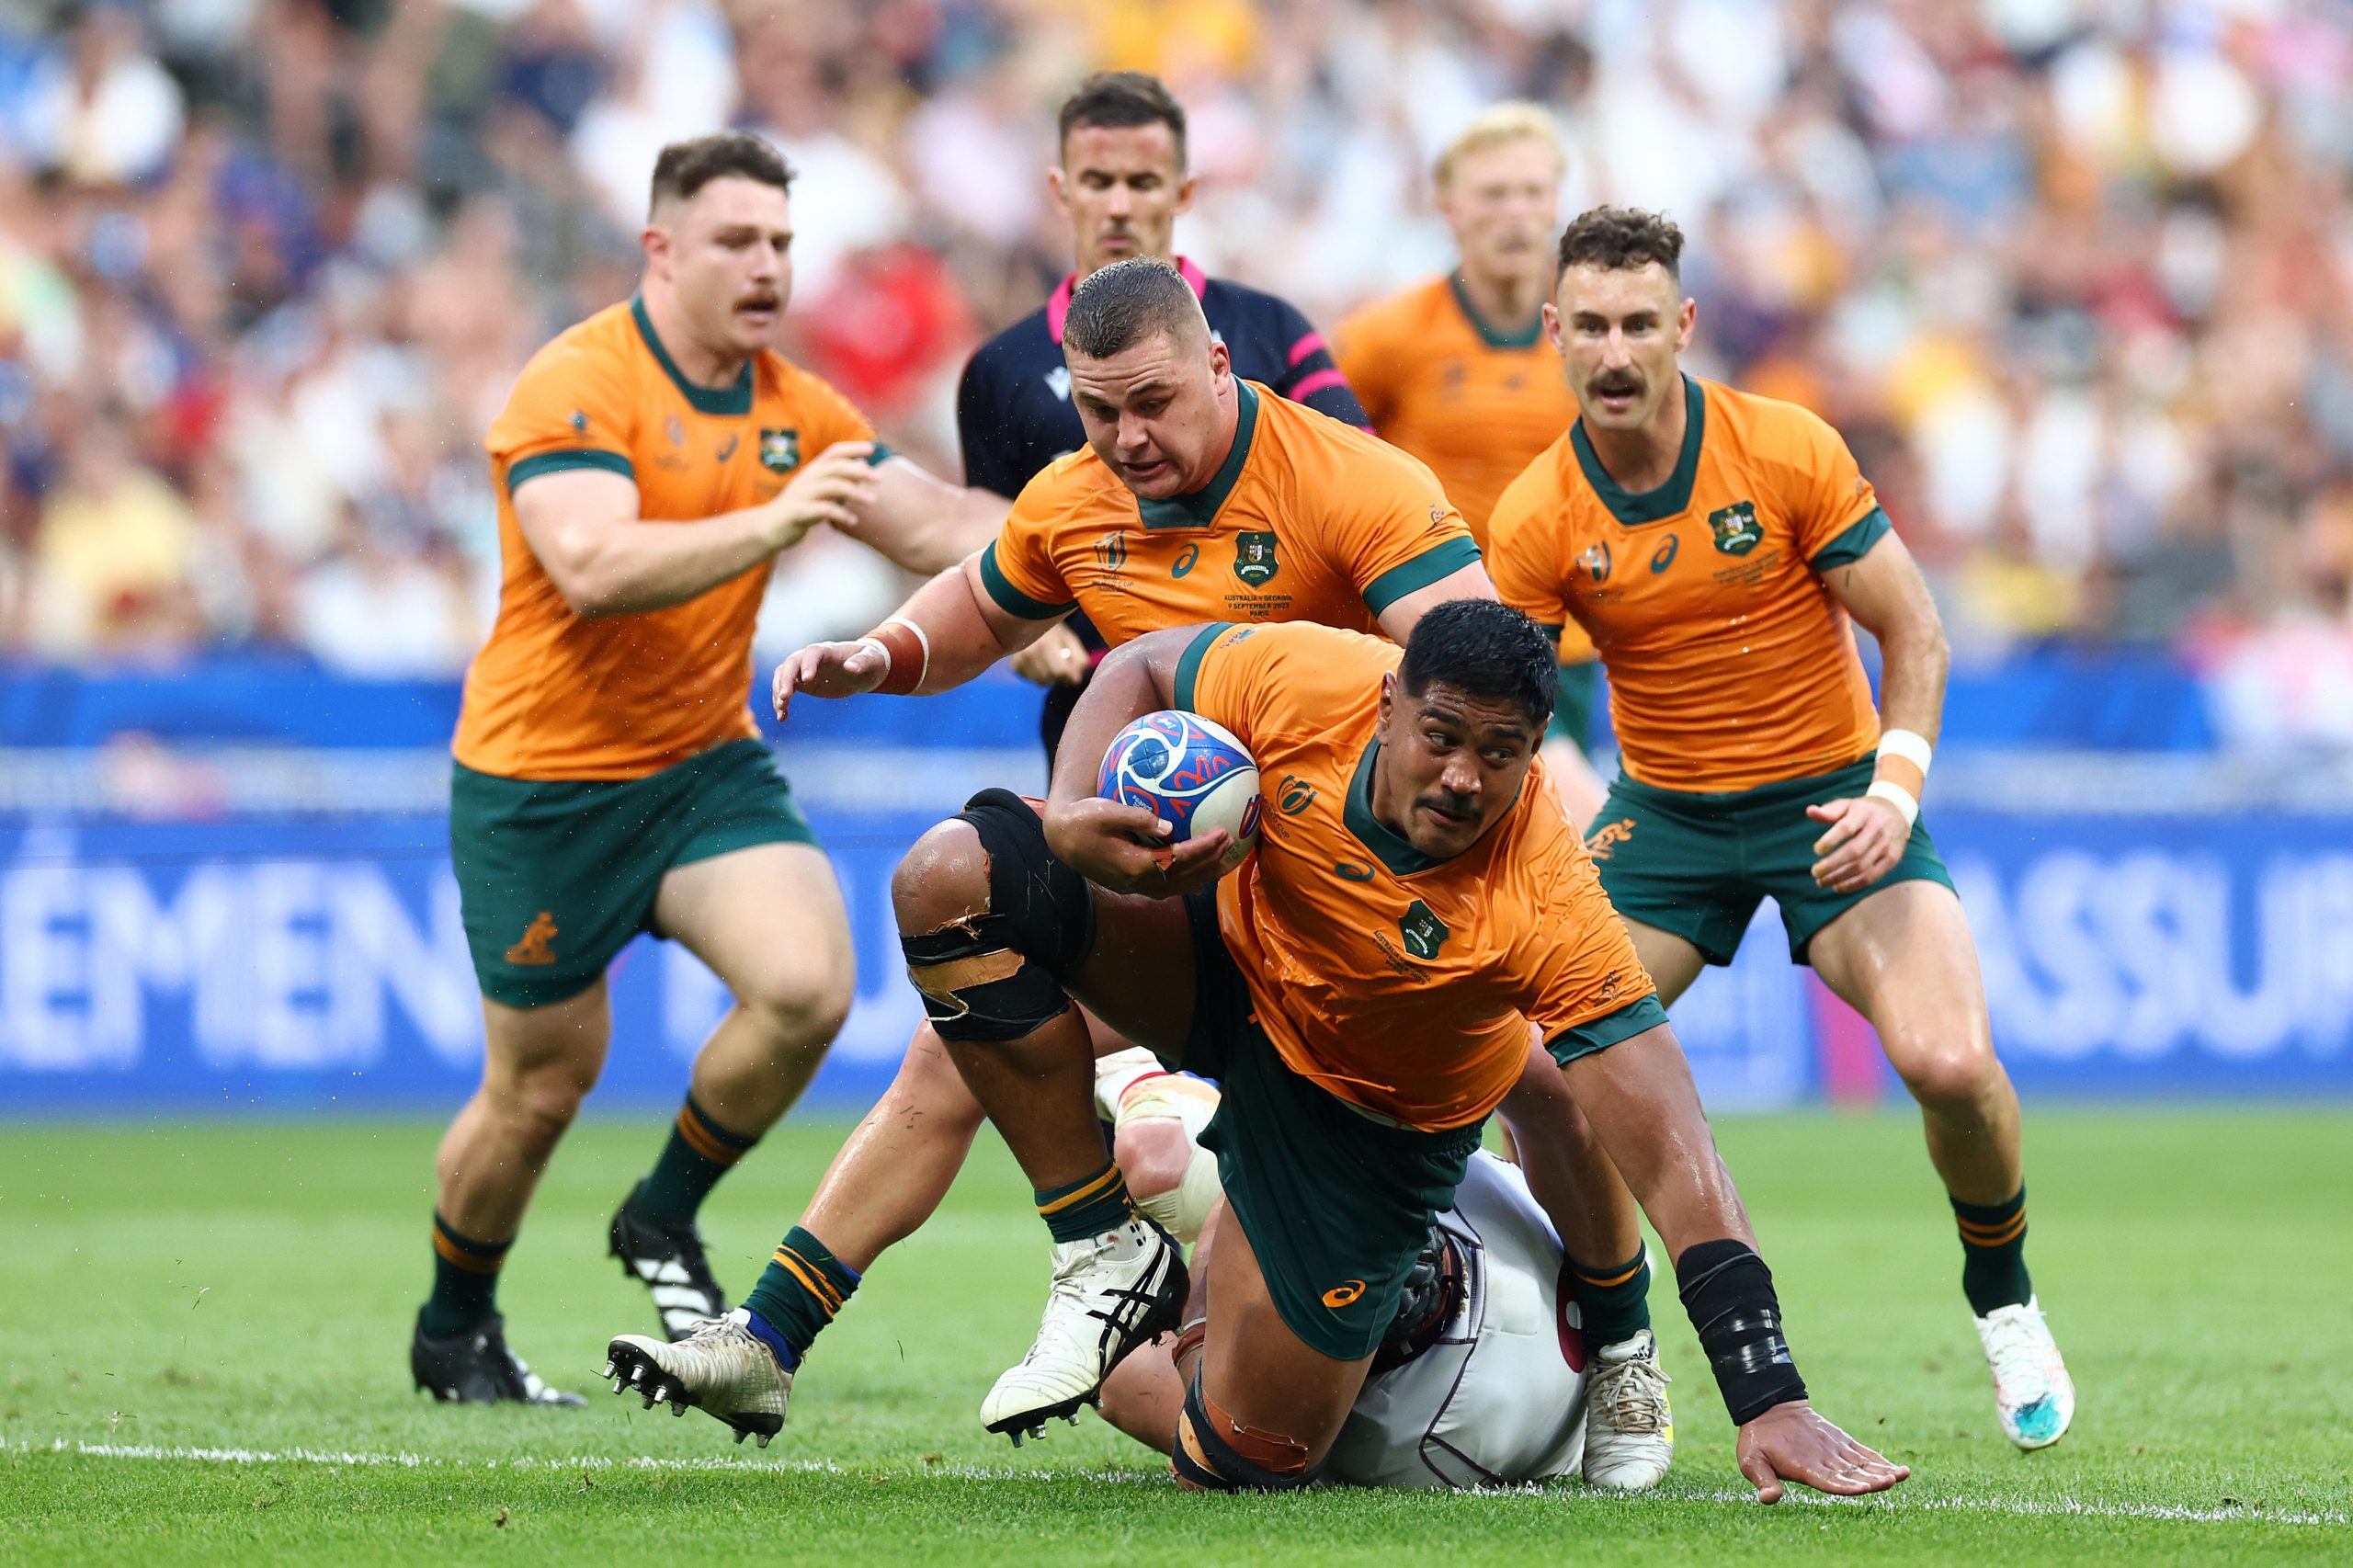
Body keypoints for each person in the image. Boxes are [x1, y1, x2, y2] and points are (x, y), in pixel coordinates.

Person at [599, 258, 1660, 1476]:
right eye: (1100, 412)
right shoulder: (1075, 496)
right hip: (1183, 901)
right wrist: (881, 655)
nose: (1127, 437)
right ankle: (802, 1324)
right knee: (956, 1017)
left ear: (1218, 364)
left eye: (1152, 403)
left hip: (1349, 909)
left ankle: (1621, 1348)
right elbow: (981, 605)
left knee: (1549, 1080)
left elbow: (1475, 683)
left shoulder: (1354, 483)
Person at [607, 605, 1907, 1505]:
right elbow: (1141, 663)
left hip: (1365, 1126)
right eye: (1442, 734)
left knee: (1243, 1458)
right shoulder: (1308, 677)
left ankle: (1174, 1310)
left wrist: (1766, 1387)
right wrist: (1070, 810)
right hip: (1228, 972)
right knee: (952, 876)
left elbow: (1671, 1144)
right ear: (1389, 700)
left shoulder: (1545, 892)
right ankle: (1099, 1240)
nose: (1464, 777)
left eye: (1503, 753)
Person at [412, 131, 1005, 1405]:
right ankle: (454, 1326)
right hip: (541, 782)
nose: (767, 266)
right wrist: (775, 519)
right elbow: (591, 564)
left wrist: (1104, 531)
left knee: (807, 986)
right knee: (540, 1086)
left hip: (700, 763)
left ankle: (661, 1211)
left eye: (782, 242)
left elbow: (943, 524)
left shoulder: (798, 409)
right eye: (737, 240)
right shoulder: (577, 381)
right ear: (662, 249)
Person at [1487, 205, 2075, 1450]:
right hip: (1666, 822)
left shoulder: (1785, 447)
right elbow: (1513, 720)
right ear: (1554, 332)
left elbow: (1914, 630)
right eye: (1589, 326)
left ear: (1683, 325)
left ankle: (2004, 1294)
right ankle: (1619, 1346)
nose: (1614, 351)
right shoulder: (1537, 515)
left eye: (1638, 323)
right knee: (1533, 1069)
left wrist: (1893, 793)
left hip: (1833, 804)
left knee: (1951, 1064)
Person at [956, 71, 1368, 763]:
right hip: (1104, 706)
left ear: (1182, 191)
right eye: (1098, 181)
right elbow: (991, 534)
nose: (1119, 206)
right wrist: (1027, 631)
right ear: (1062, 189)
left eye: (1142, 182)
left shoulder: (1269, 327)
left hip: (1279, 698)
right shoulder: (1000, 368)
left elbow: (1360, 482)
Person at [1335, 103, 1606, 828]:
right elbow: (1315, 458)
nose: (1514, 214)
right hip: (1426, 638)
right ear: (1450, 208)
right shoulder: (1389, 337)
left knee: (1553, 841)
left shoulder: (1597, 337)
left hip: (1560, 641)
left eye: (1532, 192)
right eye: (1493, 194)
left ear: (1555, 203)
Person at [1097, 1145, 1598, 1490]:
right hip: (1542, 1346)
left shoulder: (1414, 1442)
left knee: (1116, 1367)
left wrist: (1198, 1321)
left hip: (1493, 1416)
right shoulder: (1468, 1178)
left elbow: (1208, 1436)